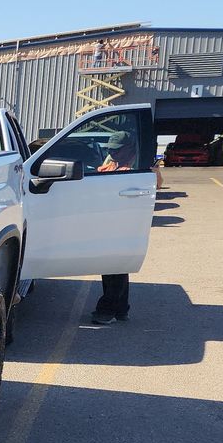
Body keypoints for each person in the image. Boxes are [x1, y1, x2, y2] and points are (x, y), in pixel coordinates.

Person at [93, 134, 139, 324]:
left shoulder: (138, 163)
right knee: (114, 266)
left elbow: (156, 183)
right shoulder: (112, 161)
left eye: (116, 149)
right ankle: (121, 308)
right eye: (110, 149)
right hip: (110, 219)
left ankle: (107, 309)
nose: (112, 152)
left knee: (115, 265)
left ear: (129, 148)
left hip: (125, 220)